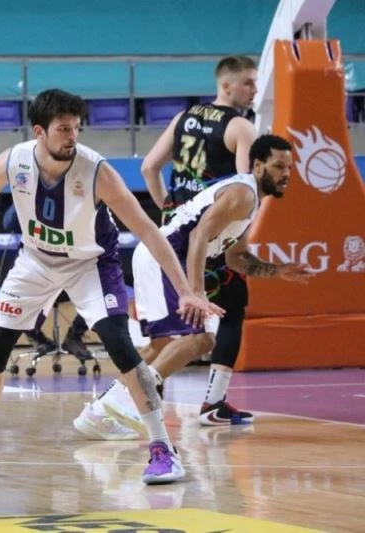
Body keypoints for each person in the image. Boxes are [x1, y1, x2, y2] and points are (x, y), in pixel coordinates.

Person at [0, 89, 223, 485]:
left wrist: (186, 290)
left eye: (76, 128)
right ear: (40, 131)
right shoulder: (15, 160)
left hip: (91, 264)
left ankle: (163, 449)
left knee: (121, 346)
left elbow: (147, 230)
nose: (72, 136)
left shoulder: (97, 171)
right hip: (36, 261)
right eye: (63, 129)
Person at [77, 135, 313, 439]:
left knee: (162, 346)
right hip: (165, 255)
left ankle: (98, 412)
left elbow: (234, 258)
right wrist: (196, 293)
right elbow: (198, 235)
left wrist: (277, 270)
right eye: (279, 166)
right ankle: (127, 401)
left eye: (290, 168)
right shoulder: (242, 194)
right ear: (257, 165)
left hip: (156, 256)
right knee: (201, 339)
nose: (286, 174)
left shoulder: (250, 201)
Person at [140, 55, 260, 417]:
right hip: (211, 233)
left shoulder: (184, 117)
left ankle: (139, 396)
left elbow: (149, 167)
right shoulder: (240, 127)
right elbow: (245, 187)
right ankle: (213, 402)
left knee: (171, 331)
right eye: (248, 82)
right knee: (231, 310)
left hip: (176, 229)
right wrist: (240, 239)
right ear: (226, 85)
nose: (254, 89)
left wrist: (167, 207)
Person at [2, 204, 92, 359]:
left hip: (72, 273)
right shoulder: (31, 200)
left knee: (102, 290)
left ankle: (75, 336)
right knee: (13, 295)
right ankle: (38, 339)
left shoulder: (77, 203)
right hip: (38, 277)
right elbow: (8, 223)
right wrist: (20, 200)